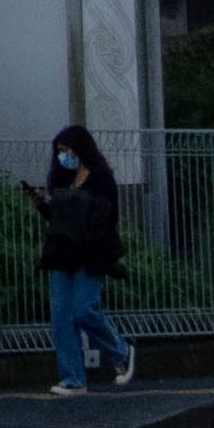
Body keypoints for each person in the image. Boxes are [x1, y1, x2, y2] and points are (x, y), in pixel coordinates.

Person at [40, 125, 134, 394]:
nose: (63, 156)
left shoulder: (101, 177)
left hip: (89, 252)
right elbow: (58, 218)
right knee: (61, 317)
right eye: (59, 152)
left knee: (84, 309)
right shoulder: (61, 178)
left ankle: (121, 351)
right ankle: (72, 378)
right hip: (61, 252)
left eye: (66, 150)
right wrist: (41, 205)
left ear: (80, 149)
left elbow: (106, 216)